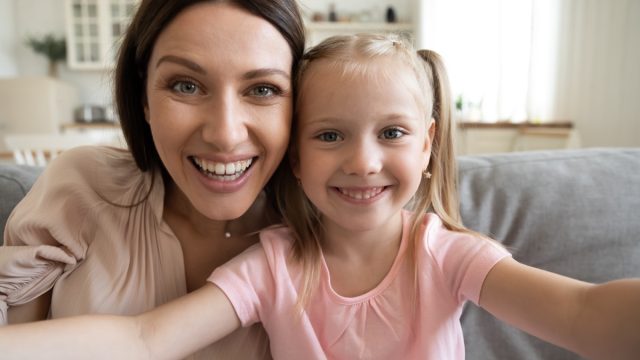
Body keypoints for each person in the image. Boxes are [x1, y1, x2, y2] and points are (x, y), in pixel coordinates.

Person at [2, 33, 639, 360]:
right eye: (330, 135)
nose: (363, 161)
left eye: (392, 133)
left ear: (427, 146)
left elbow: (581, 315)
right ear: (296, 158)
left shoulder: (448, 255)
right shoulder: (271, 264)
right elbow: (143, 339)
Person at [0, 0, 304, 358]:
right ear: (144, 98)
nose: (225, 134)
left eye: (263, 89)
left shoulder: (328, 232)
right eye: (186, 86)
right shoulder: (80, 189)